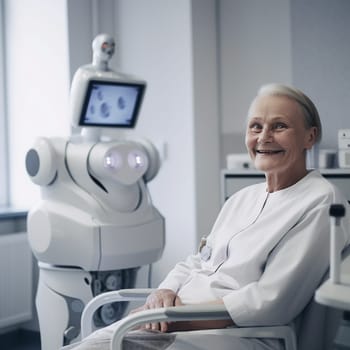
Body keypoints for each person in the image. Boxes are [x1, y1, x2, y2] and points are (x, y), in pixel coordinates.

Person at [67, 83, 350, 350]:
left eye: (280, 126)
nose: (264, 137)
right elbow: (198, 261)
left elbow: (271, 301)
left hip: (235, 335)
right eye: (255, 126)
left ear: (309, 136)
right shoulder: (242, 198)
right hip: (175, 321)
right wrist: (163, 293)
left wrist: (169, 318)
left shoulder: (321, 200)